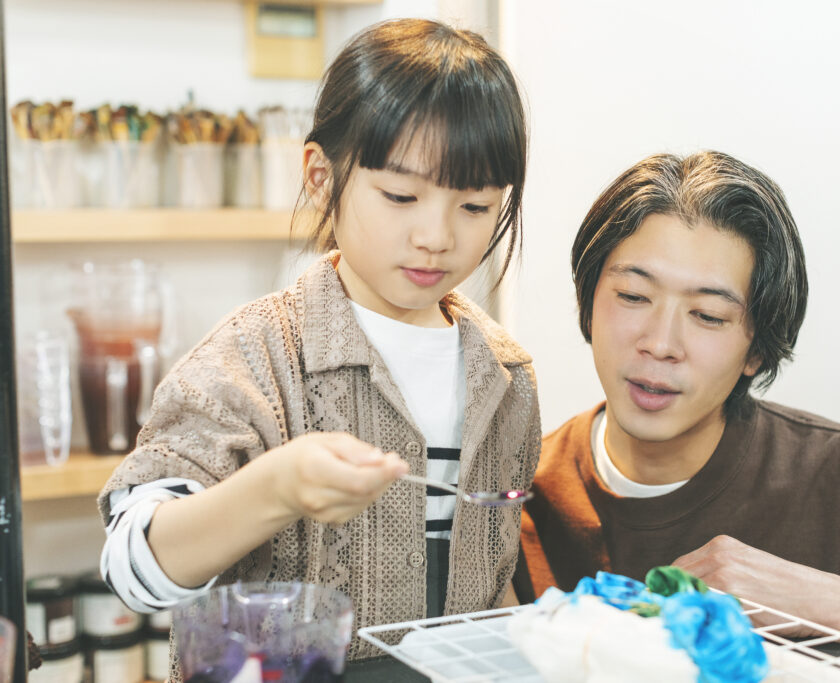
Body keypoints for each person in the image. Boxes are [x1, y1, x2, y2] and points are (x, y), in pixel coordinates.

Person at [97, 17, 540, 672]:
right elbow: (132, 569)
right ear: (321, 177)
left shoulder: (506, 375)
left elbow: (492, 582)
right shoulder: (253, 357)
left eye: (474, 207)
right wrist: (274, 490)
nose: (436, 236)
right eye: (401, 195)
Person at [513, 150, 840, 682]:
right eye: (634, 295)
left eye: (708, 315)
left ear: (757, 349)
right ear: (588, 302)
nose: (660, 343)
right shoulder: (516, 495)